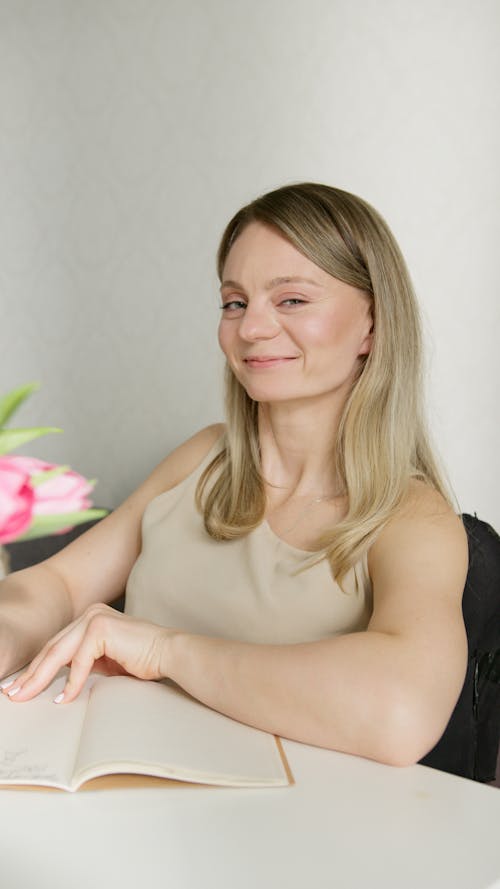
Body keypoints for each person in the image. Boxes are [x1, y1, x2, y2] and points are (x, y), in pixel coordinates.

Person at [0, 182, 468, 767]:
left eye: (292, 300)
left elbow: (401, 713)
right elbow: (61, 586)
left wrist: (165, 651)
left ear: (373, 325)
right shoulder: (202, 458)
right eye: (235, 302)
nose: (250, 329)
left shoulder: (414, 518)